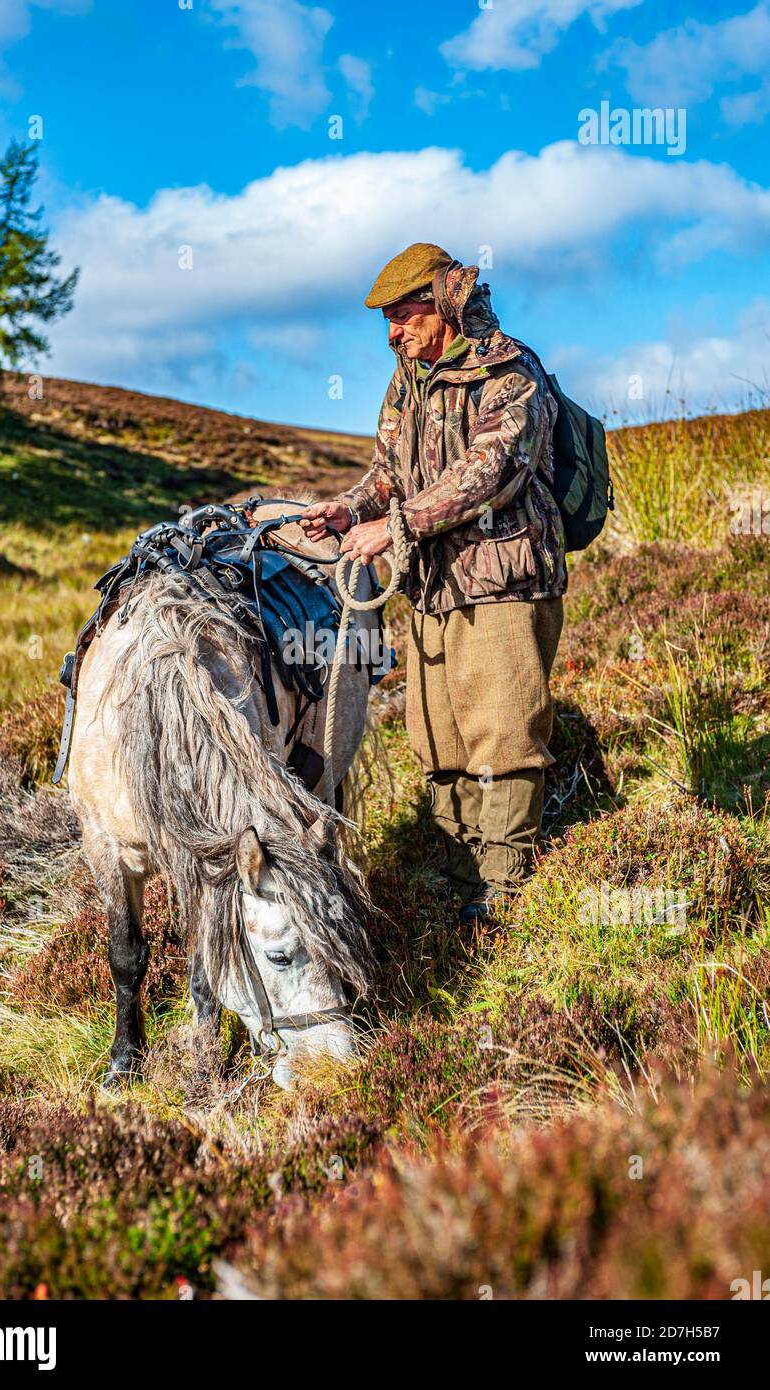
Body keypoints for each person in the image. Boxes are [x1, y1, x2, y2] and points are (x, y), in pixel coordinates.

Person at [300, 243, 567, 923]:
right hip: (430, 587)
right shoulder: (406, 380)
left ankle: (502, 893)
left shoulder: (510, 370)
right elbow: (388, 473)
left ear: (443, 301)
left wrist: (394, 527)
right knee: (439, 737)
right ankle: (457, 880)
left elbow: (493, 473)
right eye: (386, 320)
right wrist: (350, 508)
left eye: (402, 315)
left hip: (502, 579)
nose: (392, 332)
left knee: (502, 734)